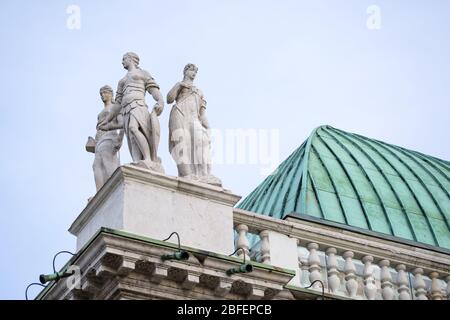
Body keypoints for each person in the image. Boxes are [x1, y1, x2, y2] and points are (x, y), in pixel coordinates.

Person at [99, 52, 165, 172]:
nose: (122, 62)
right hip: (126, 110)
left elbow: (153, 89)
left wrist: (160, 101)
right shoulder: (122, 81)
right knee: (131, 136)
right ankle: (136, 160)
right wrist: (107, 119)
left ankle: (148, 159)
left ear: (131, 59)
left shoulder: (142, 73)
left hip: (138, 106)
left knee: (133, 128)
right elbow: (118, 103)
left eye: (124, 59)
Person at [167, 63, 221, 186]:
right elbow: (169, 99)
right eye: (191, 71)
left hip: (194, 119)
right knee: (182, 143)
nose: (194, 74)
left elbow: (202, 113)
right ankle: (187, 174)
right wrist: (179, 85)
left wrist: (207, 127)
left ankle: (204, 174)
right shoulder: (180, 86)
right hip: (180, 113)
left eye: (195, 72)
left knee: (201, 144)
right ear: (185, 71)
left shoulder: (199, 92)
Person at [86, 85, 123, 191]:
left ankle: (116, 186)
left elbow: (122, 124)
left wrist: (120, 138)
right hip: (99, 139)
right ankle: (100, 192)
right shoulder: (101, 113)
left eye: (105, 93)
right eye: (101, 94)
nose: (103, 95)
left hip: (110, 137)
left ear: (111, 94)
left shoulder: (115, 107)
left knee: (107, 161)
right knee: (96, 165)